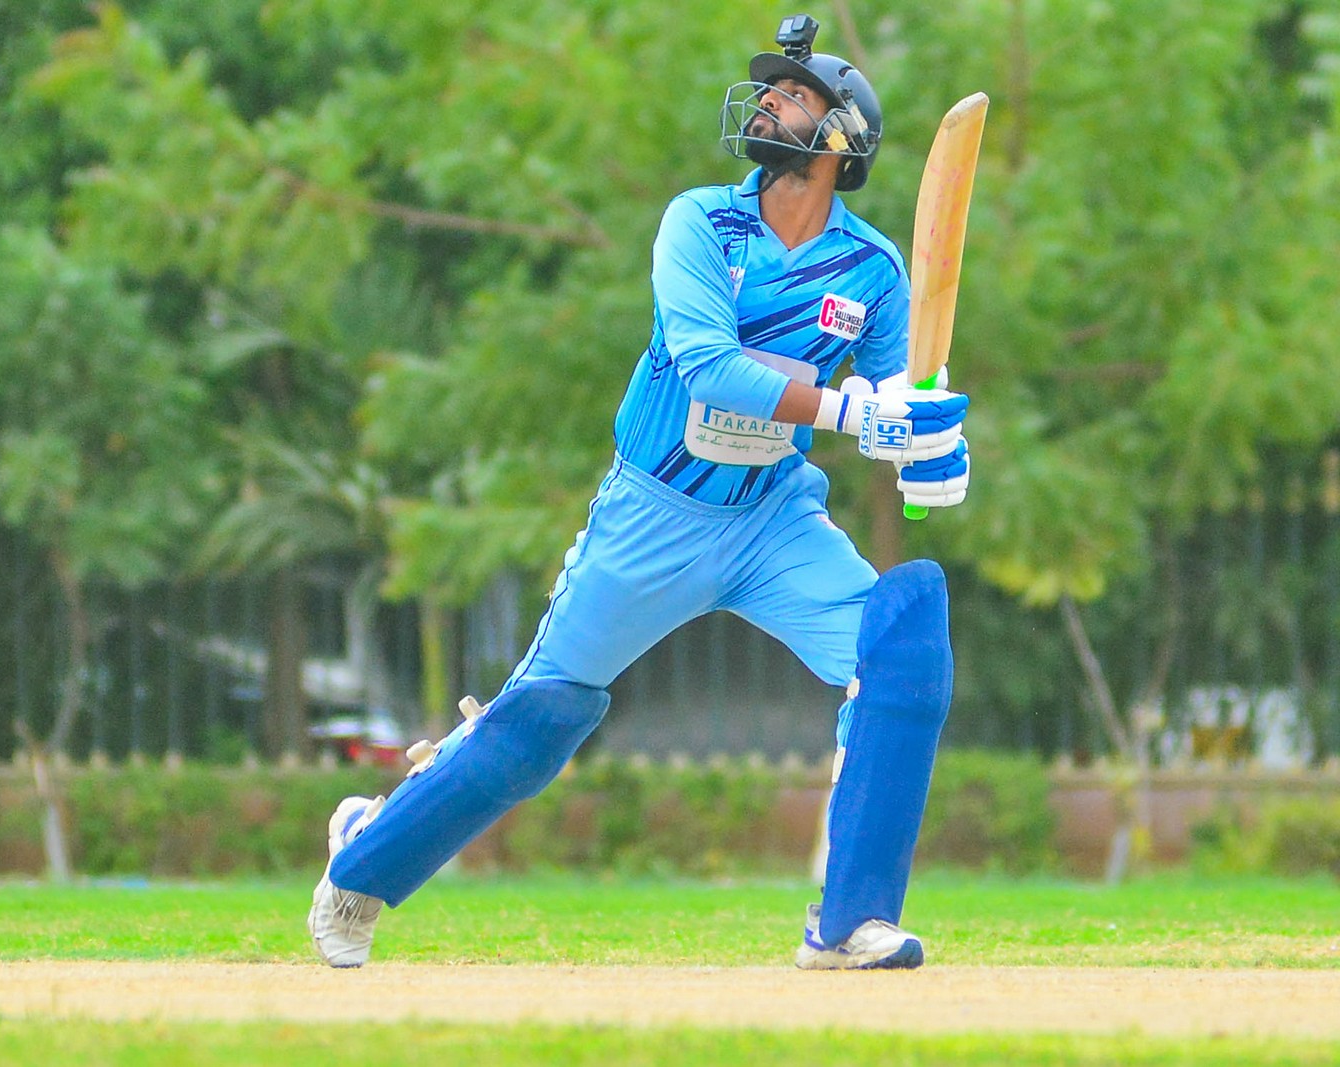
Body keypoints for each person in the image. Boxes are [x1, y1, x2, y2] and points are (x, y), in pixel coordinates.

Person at [308, 13, 971, 971]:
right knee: (539, 725)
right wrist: (854, 412)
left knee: (902, 648)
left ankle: (851, 922)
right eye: (772, 89)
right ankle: (363, 858)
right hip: (652, 513)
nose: (769, 103)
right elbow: (710, 368)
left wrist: (931, 450)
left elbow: (895, 400)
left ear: (841, 138)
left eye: (794, 95)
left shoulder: (872, 269)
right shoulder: (701, 222)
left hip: (773, 518)